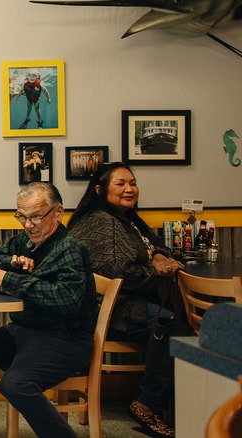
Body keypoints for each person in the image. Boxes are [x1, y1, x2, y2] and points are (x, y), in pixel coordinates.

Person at [0, 182, 98, 438]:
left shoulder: (70, 249)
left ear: (58, 213)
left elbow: (67, 300)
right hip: (23, 330)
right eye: (22, 217)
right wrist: (11, 261)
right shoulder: (24, 241)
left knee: (16, 384)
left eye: (36, 216)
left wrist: (10, 279)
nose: (28, 224)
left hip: (63, 338)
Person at [68, 162, 181, 438]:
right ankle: (147, 404)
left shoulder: (125, 218)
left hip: (124, 305)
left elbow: (156, 246)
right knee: (173, 323)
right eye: (120, 184)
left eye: (132, 182)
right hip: (110, 311)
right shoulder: (103, 222)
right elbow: (121, 275)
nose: (129, 189)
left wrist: (157, 255)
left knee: (179, 316)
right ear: (100, 189)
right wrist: (156, 269)